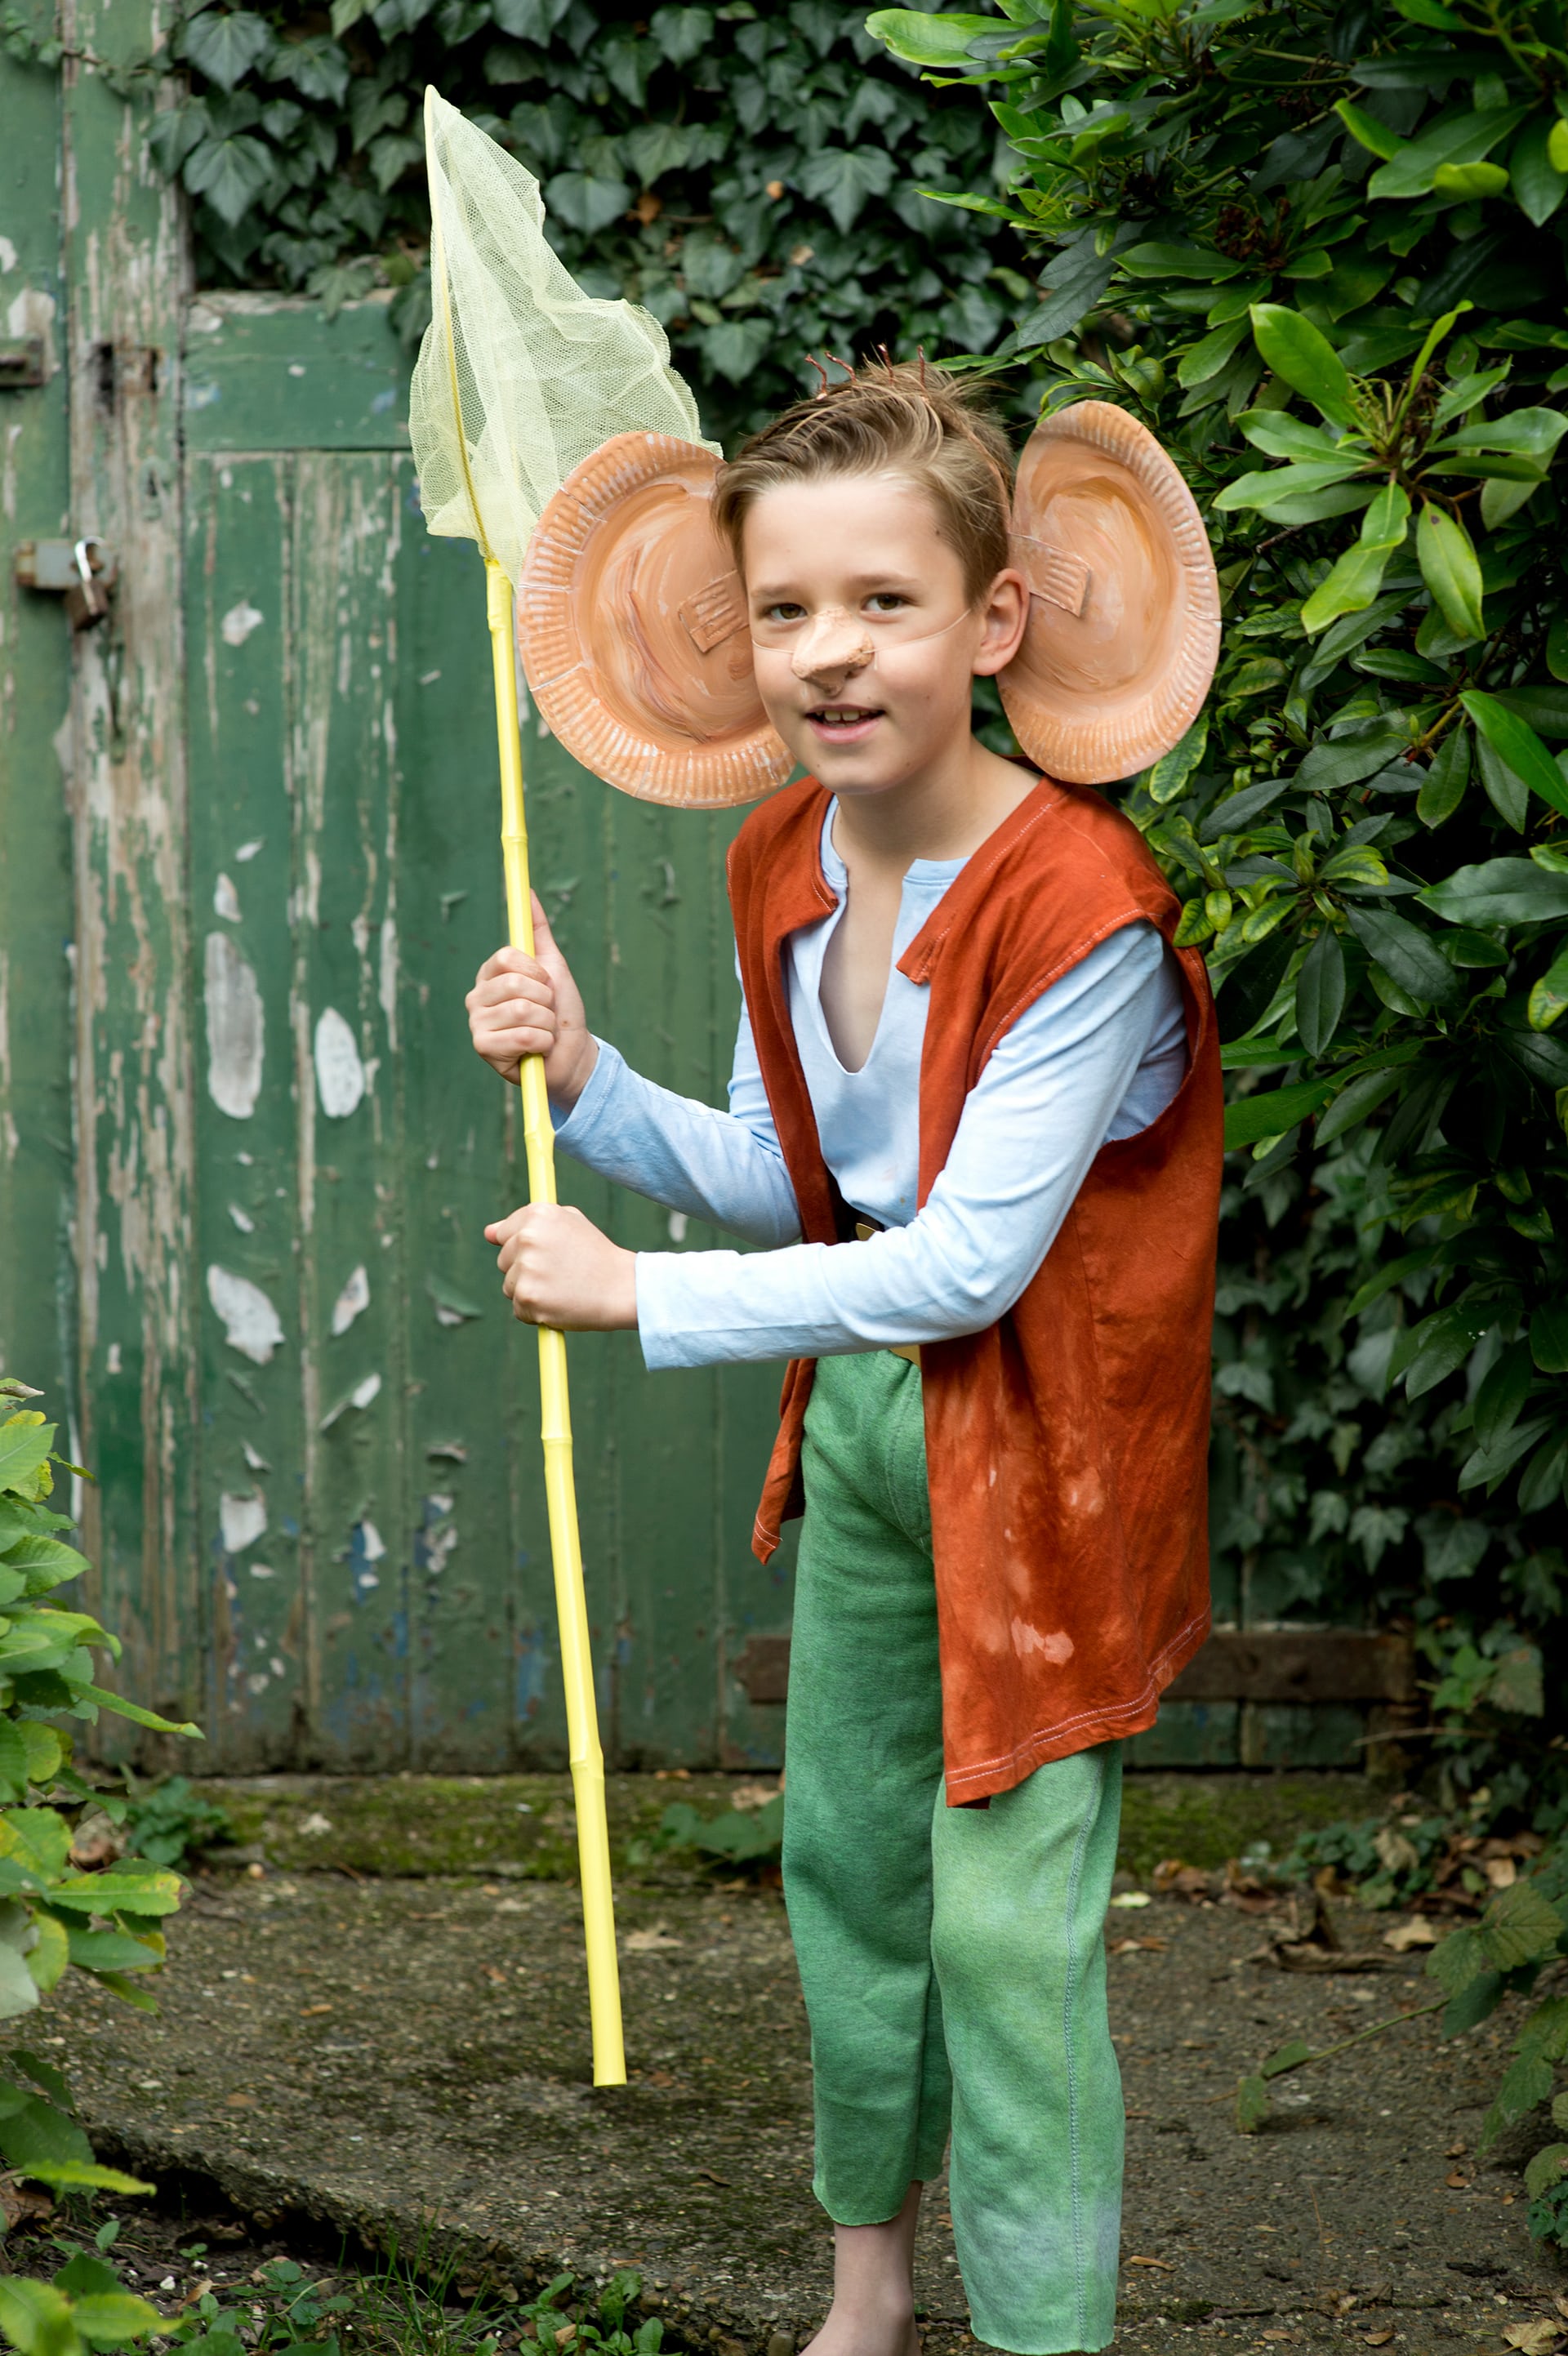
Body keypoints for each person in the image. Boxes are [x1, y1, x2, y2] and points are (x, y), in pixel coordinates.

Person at [466, 364, 1223, 2356]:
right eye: (786, 609)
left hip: (1045, 1461)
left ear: (995, 622)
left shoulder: (1087, 912)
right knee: (853, 1873)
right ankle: (867, 2291)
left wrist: (644, 1302)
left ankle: (1048, 2339)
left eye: (885, 603)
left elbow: (968, 1265)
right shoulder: (779, 864)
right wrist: (590, 1074)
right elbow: (792, 1179)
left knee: (1009, 1933)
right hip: (876, 1431)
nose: (828, 654)